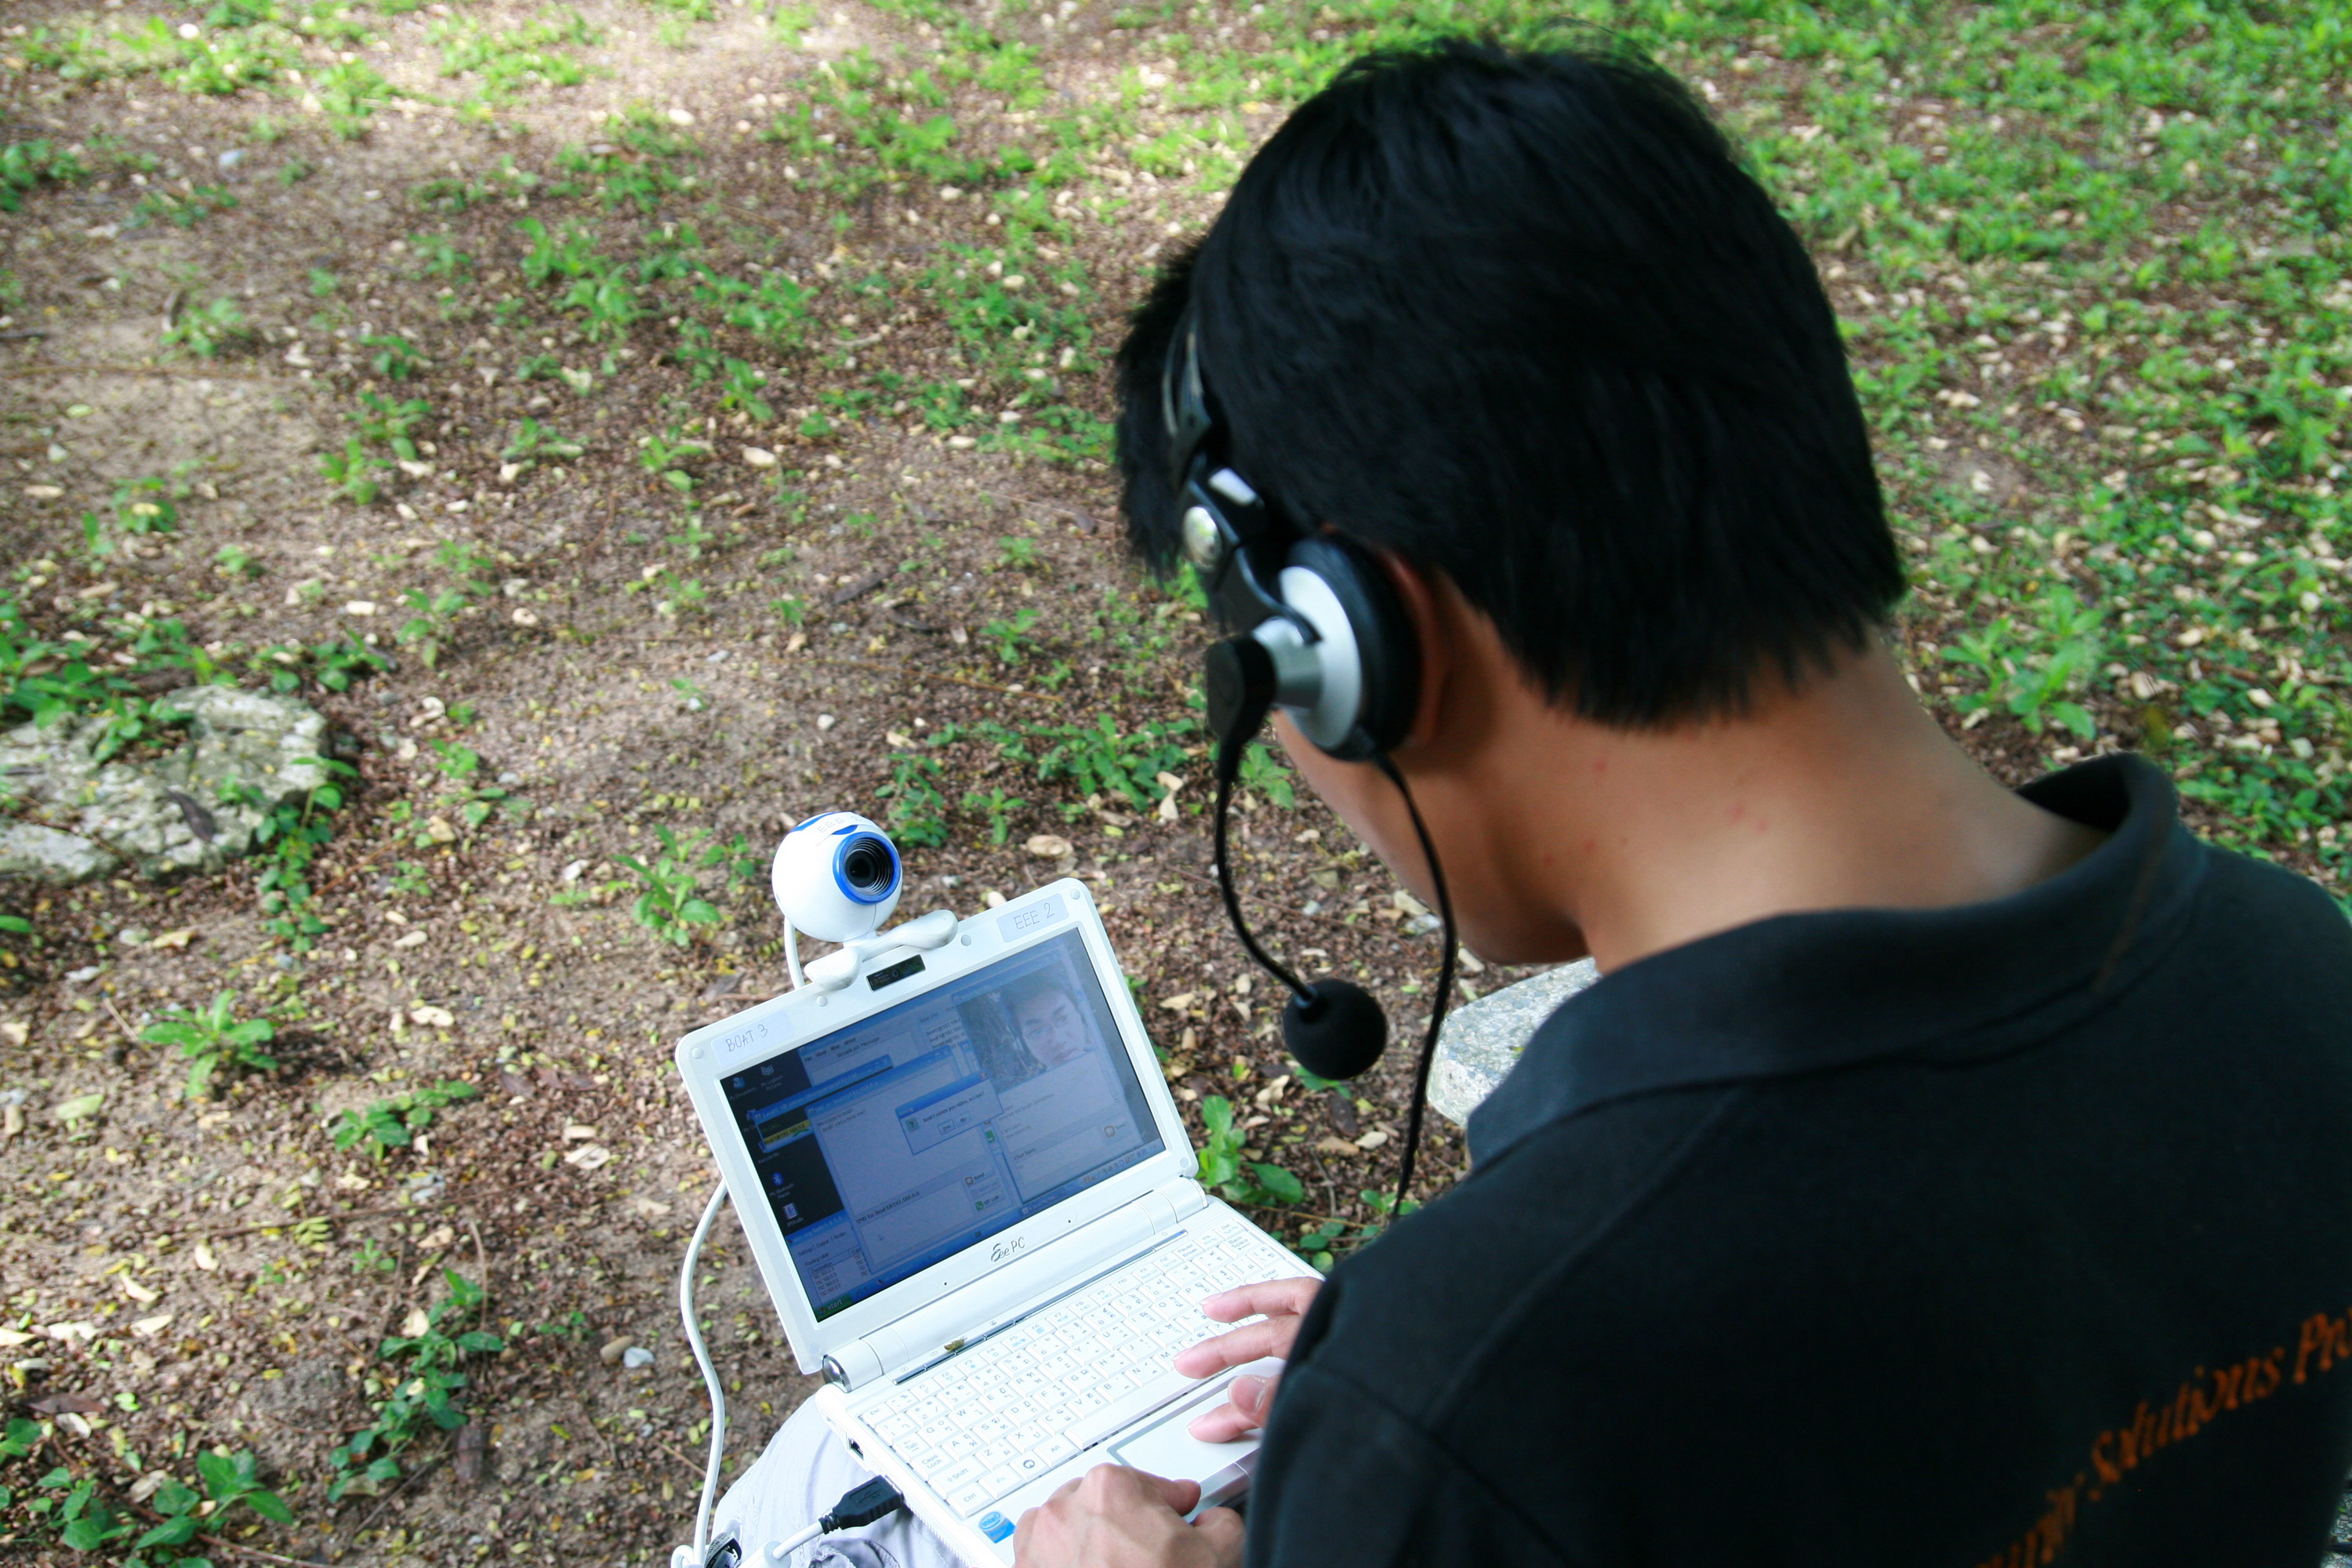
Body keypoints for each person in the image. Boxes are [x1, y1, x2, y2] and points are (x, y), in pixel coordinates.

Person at [721, 34, 2352, 1568]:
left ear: (1355, 653)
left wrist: (1422, 1410)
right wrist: (1424, 1375)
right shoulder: (2295, 975)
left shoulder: (1479, 1403)